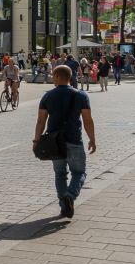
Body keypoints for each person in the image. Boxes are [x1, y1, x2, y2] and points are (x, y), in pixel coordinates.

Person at [34, 65, 96, 219]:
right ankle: (70, 195)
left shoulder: (48, 96)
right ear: (71, 77)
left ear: (56, 77)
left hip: (55, 143)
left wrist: (36, 140)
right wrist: (92, 139)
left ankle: (64, 207)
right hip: (74, 140)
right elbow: (88, 121)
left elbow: (41, 121)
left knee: (60, 175)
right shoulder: (81, 95)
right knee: (79, 172)